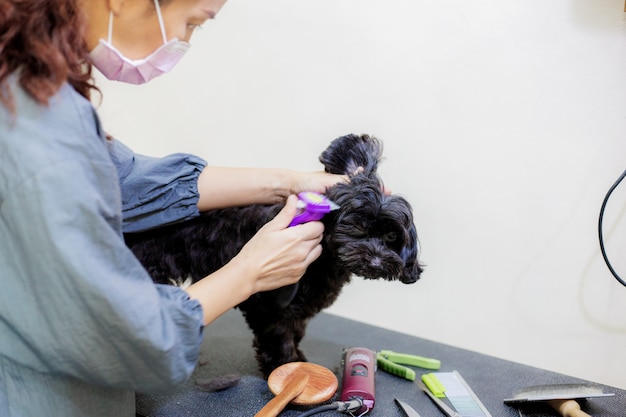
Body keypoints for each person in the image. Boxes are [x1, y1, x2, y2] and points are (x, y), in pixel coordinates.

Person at [0, 1, 347, 416]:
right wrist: (248, 272)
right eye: (193, 22)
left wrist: (288, 182)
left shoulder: (23, 83)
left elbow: (125, 179)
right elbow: (124, 340)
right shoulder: (40, 131)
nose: (183, 42)